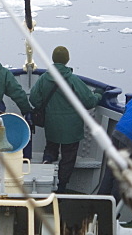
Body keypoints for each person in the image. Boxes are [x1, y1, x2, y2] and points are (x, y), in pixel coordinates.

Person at [29, 46, 99, 194]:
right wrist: (99, 95)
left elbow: (34, 99)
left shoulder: (44, 79)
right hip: (71, 129)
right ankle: (61, 187)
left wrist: (46, 108)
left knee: (51, 149)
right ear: (67, 60)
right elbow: (89, 101)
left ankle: (45, 169)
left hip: (52, 126)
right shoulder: (73, 80)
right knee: (68, 157)